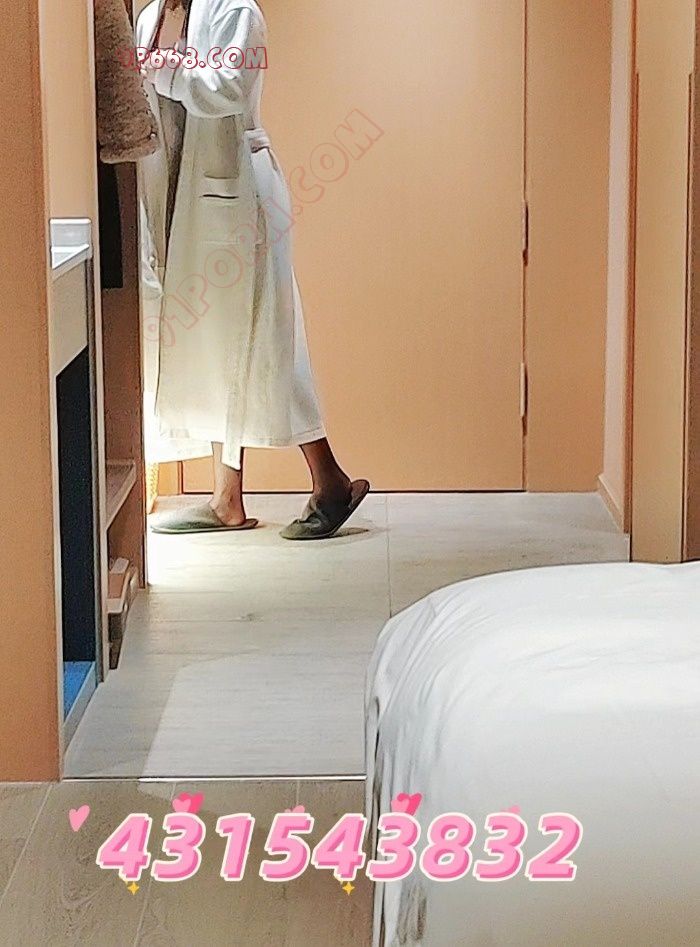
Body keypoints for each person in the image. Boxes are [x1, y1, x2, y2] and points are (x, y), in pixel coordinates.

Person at [136, 0, 368, 539]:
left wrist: (161, 68)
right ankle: (227, 499)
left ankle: (330, 480)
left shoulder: (237, 12)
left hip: (241, 193)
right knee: (219, 344)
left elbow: (228, 89)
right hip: (184, 199)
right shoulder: (150, 18)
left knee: (271, 340)